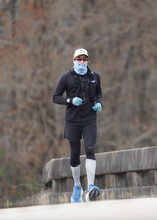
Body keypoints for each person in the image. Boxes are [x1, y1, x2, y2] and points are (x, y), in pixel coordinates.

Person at [52, 48, 103, 203]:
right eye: (79, 59)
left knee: (90, 149)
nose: (82, 62)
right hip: (72, 120)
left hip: (89, 118)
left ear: (87, 60)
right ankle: (77, 186)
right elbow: (55, 97)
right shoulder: (66, 77)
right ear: (74, 60)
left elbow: (99, 93)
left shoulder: (95, 76)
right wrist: (70, 101)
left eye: (84, 59)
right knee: (75, 153)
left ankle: (91, 187)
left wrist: (99, 103)